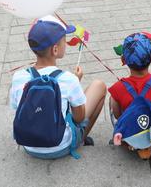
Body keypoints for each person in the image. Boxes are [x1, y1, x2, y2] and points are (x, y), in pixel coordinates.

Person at [9, 16, 106, 159]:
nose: (66, 43)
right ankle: (82, 138)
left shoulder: (18, 77)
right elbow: (78, 118)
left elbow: (17, 107)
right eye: (64, 41)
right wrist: (76, 84)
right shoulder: (69, 79)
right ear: (55, 49)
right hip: (61, 146)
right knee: (99, 86)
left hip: (29, 146)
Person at [109, 32, 151, 155]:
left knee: (112, 99)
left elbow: (118, 115)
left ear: (123, 60)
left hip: (129, 140)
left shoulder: (118, 87)